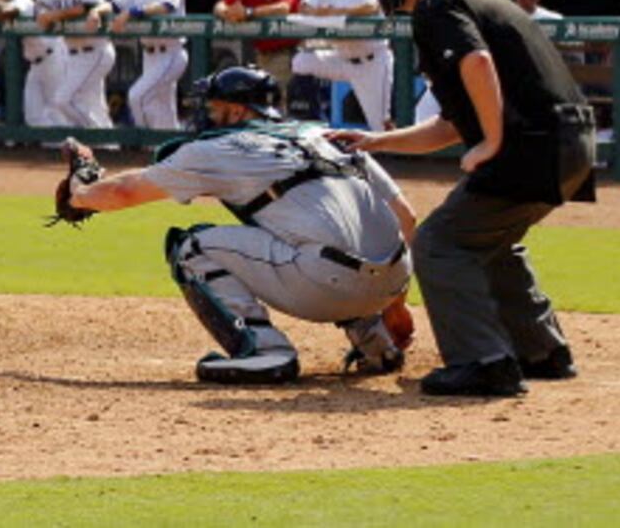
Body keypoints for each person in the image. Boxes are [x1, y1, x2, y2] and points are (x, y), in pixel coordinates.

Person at [335, 0, 595, 397]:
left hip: (530, 143)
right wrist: (375, 141)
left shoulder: (437, 3)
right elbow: (451, 127)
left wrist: (493, 141)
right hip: (571, 141)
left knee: (439, 244)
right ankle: (541, 350)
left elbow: (477, 64)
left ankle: (486, 361)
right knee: (487, 237)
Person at [59, 67, 415, 384]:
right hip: (392, 282)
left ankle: (265, 351)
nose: (207, 115)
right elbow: (406, 217)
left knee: (191, 247)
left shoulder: (224, 146)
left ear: (237, 110)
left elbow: (123, 192)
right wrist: (395, 304)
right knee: (312, 228)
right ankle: (376, 343)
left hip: (323, 286)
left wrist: (80, 192)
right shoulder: (328, 136)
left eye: (213, 107)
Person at [288, 0, 393, 128]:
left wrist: (336, 12)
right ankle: (317, 121)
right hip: (341, 60)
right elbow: (303, 5)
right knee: (301, 62)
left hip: (372, 64)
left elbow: (371, 8)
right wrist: (318, 12)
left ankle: (394, 154)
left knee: (380, 126)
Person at [23, 0, 111, 128]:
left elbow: (86, 7)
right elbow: (40, 4)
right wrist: (44, 14)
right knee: (93, 104)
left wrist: (53, 16)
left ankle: (96, 135)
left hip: (95, 48)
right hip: (71, 51)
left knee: (64, 100)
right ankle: (108, 145)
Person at [110, 0, 190, 128]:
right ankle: (169, 148)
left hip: (171, 52)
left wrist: (133, 12)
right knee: (163, 108)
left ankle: (145, 145)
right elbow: (114, 5)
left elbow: (166, 5)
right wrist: (96, 12)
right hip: (149, 55)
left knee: (137, 96)